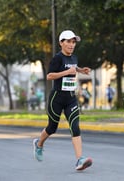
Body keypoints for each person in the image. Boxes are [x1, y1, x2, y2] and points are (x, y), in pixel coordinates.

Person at [33, 30, 93, 171]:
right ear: (61, 43)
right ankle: (39, 144)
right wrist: (66, 73)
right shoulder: (57, 58)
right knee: (52, 128)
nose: (71, 45)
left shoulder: (74, 58)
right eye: (68, 41)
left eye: (73, 42)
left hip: (71, 98)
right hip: (57, 99)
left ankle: (80, 160)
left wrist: (81, 70)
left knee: (75, 127)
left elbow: (73, 67)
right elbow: (49, 76)